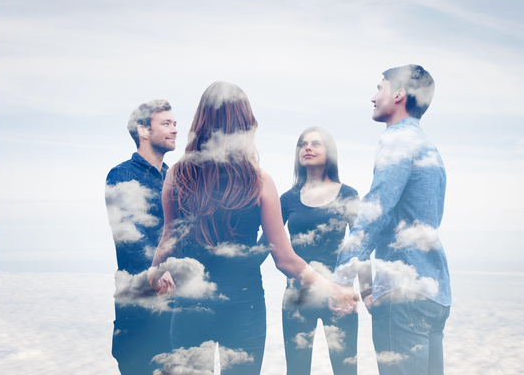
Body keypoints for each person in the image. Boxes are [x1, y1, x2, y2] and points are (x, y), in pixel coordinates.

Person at [146, 82, 360, 375]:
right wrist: (332, 289)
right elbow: (284, 258)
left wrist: (155, 275)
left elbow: (167, 242)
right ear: (245, 125)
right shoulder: (259, 181)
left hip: (190, 309)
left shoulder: (178, 174)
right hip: (243, 309)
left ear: (201, 123)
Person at [331, 65, 451, 375]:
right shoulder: (430, 149)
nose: (373, 97)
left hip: (403, 294)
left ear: (398, 95)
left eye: (379, 89)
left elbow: (376, 211)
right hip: (434, 292)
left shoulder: (396, 141)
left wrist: (342, 278)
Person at [280, 126, 372, 375]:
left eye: (315, 143)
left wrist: (367, 292)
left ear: (329, 152)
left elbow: (360, 246)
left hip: (339, 297)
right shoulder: (287, 199)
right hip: (297, 298)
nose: (307, 148)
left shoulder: (348, 194)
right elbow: (271, 245)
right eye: (303, 144)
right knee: (296, 371)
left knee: (345, 371)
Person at [104, 99, 178, 375]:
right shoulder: (122, 175)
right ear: (144, 131)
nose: (174, 130)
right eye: (166, 123)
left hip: (173, 313)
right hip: (139, 313)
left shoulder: (173, 178)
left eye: (175, 124)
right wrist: (159, 271)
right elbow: (129, 235)